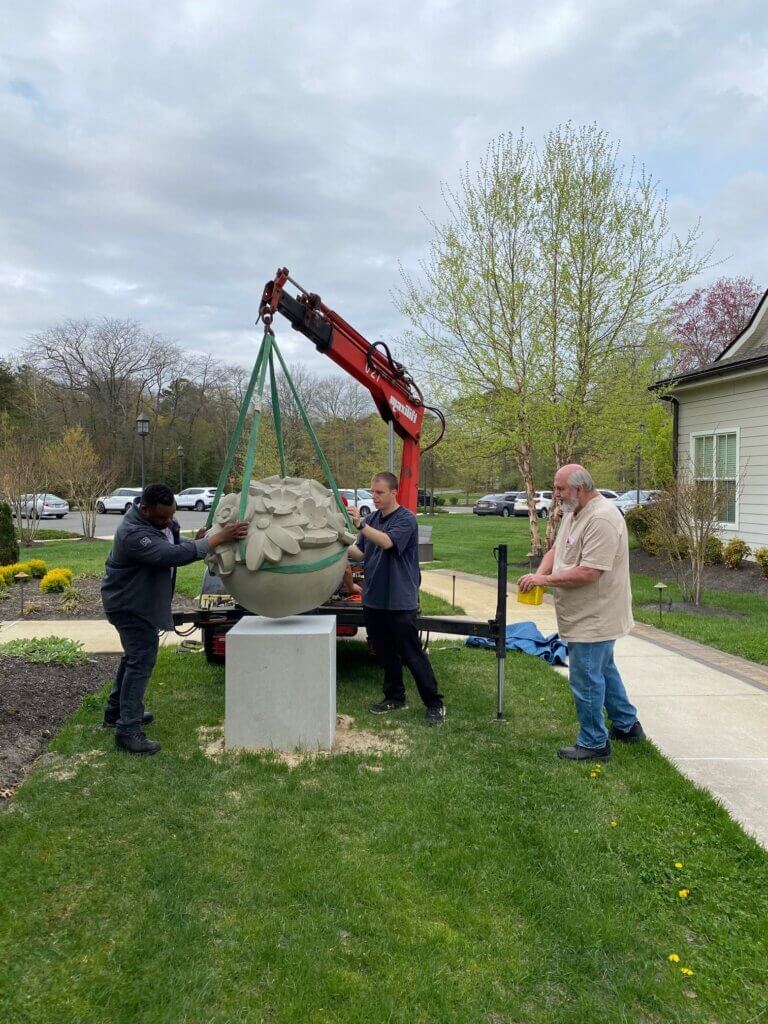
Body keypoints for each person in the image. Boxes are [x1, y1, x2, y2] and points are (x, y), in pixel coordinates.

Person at [101, 483, 247, 755]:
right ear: (144, 509)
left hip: (139, 602)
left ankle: (116, 712)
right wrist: (216, 539)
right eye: (162, 517)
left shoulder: (157, 522)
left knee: (134, 657)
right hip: (128, 605)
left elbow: (172, 545)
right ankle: (128, 730)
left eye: (171, 515)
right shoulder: (133, 533)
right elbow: (168, 555)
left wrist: (196, 542)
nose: (168, 521)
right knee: (141, 660)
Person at [518, 465, 645, 761]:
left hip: (596, 616)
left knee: (586, 678)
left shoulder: (602, 519)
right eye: (556, 488)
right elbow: (556, 551)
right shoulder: (574, 512)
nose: (556, 494)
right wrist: (538, 575)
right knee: (603, 669)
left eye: (560, 488)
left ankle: (594, 743)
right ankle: (627, 726)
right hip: (583, 614)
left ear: (580, 488)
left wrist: (545, 581)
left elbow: (589, 572)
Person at [347, 472, 445, 725]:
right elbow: (361, 553)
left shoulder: (406, 519)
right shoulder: (372, 519)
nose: (374, 497)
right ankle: (394, 697)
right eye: (372, 492)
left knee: (412, 654)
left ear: (393, 492)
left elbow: (387, 542)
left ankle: (434, 703)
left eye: (379, 492)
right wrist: (339, 541)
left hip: (400, 599)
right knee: (384, 653)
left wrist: (361, 525)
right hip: (373, 598)